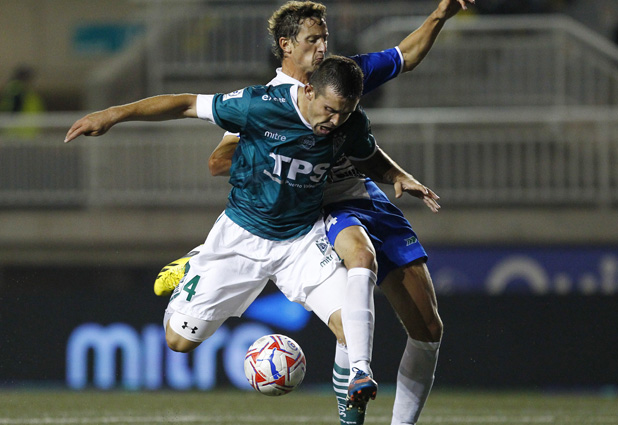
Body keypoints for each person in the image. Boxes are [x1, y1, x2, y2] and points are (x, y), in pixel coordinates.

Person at [64, 56, 439, 416]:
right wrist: (112, 115)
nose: (335, 120)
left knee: (351, 330)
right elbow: (185, 104)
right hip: (242, 238)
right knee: (178, 341)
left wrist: (398, 176)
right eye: (329, 110)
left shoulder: (349, 123)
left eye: (344, 112)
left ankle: (356, 388)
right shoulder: (260, 105)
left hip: (302, 240)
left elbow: (366, 155)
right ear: (309, 91)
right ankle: (196, 262)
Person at [155, 1, 471, 424]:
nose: (322, 48)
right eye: (312, 40)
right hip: (321, 208)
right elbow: (218, 161)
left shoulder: (342, 76)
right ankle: (354, 397)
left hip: (363, 195)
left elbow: (405, 56)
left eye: (325, 39)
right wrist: (285, 162)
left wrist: (440, 15)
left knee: (428, 329)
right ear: (286, 45)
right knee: (357, 273)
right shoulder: (268, 101)